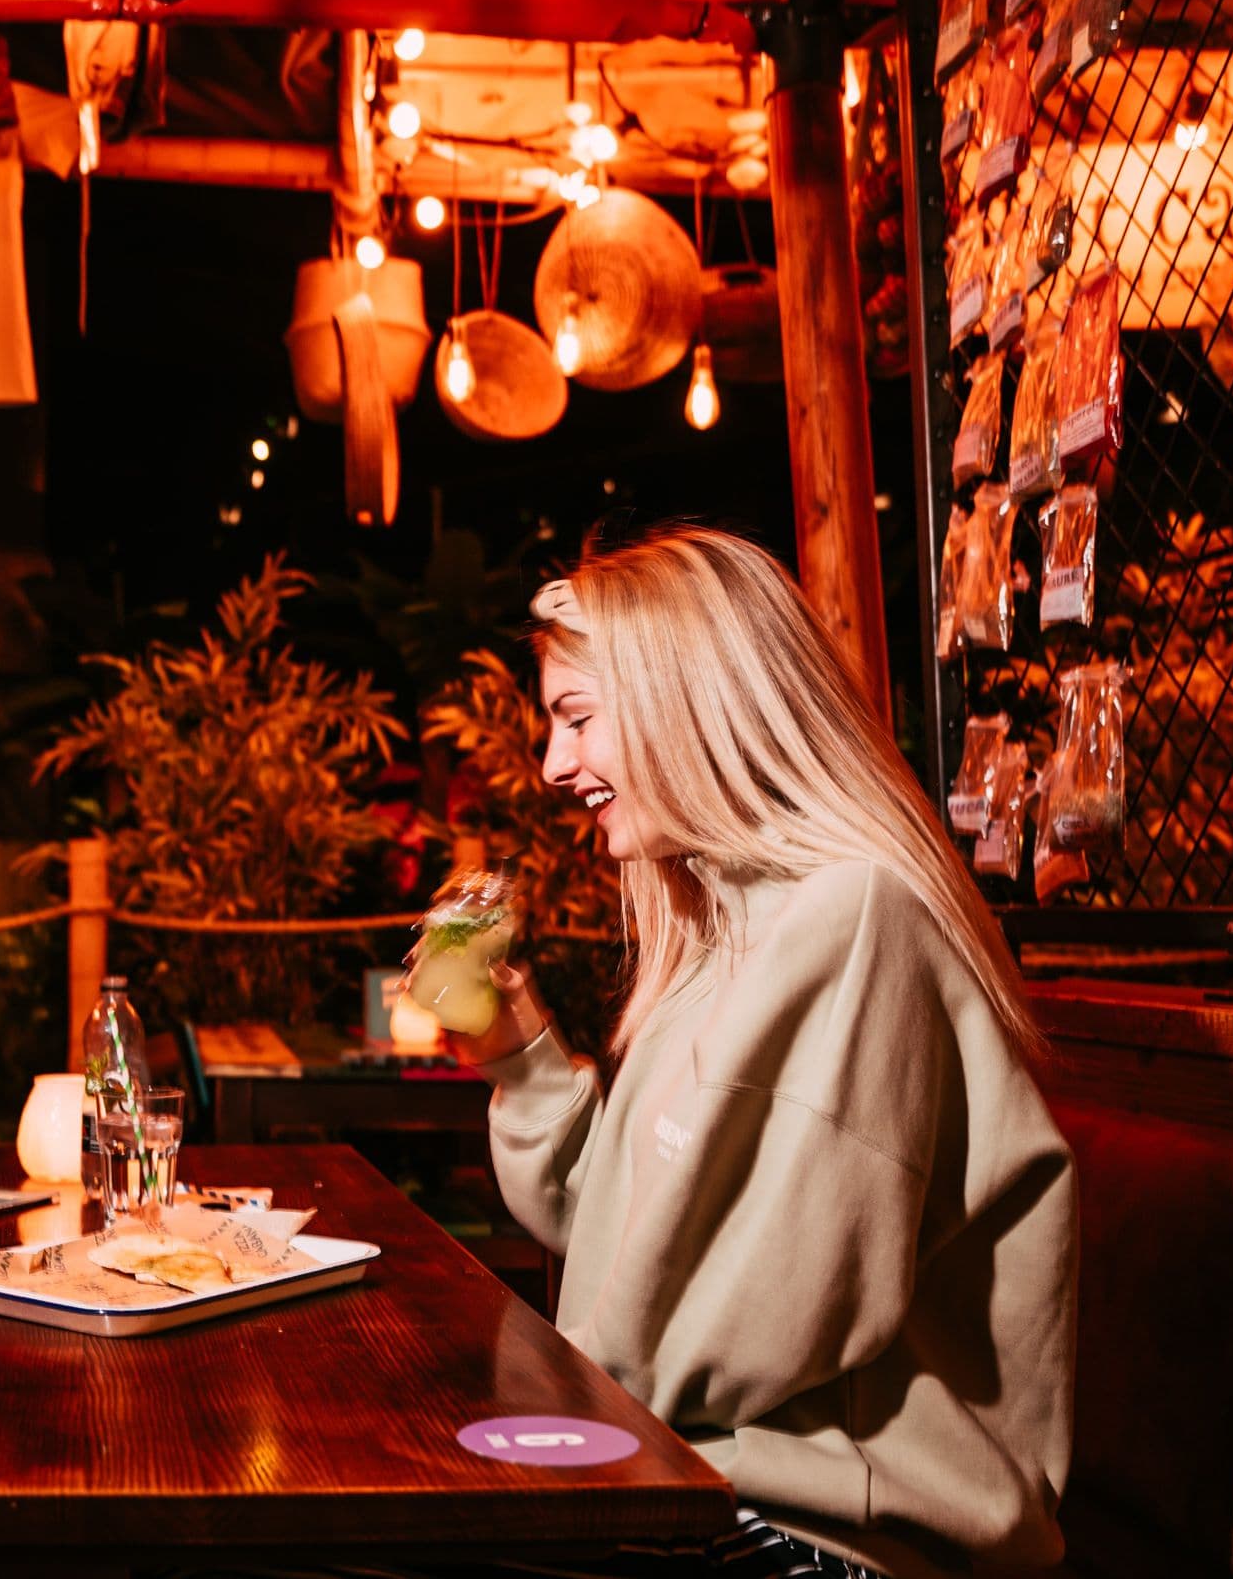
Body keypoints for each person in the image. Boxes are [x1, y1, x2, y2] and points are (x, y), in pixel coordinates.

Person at [441, 525, 1075, 1579]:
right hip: (706, 1485)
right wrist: (520, 1051)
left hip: (842, 1537)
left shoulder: (854, 917)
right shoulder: (714, 929)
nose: (555, 766)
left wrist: (542, 1430)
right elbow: (629, 1238)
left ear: (684, 697)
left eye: (577, 719)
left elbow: (776, 1312)